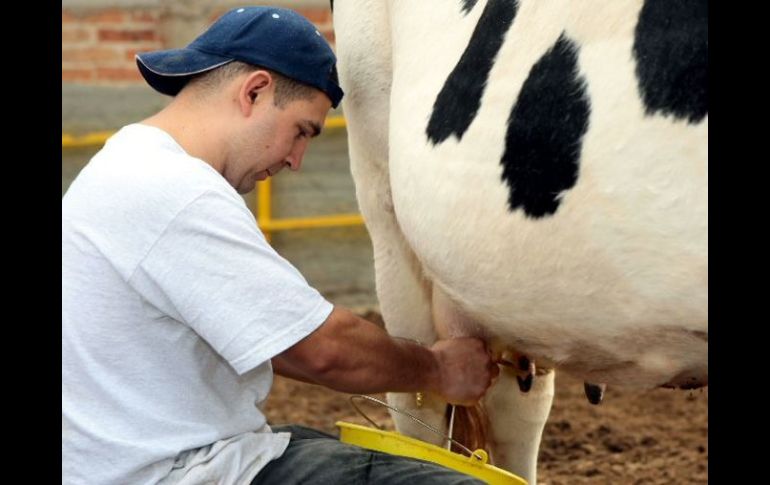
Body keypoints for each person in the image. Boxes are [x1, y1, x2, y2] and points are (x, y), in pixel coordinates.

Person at [62, 6, 498, 484]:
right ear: (254, 91)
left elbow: (280, 345)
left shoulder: (126, 164)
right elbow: (323, 350)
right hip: (177, 472)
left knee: (323, 444)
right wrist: (436, 368)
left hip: (132, 460)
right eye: (301, 131)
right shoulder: (174, 190)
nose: (296, 160)